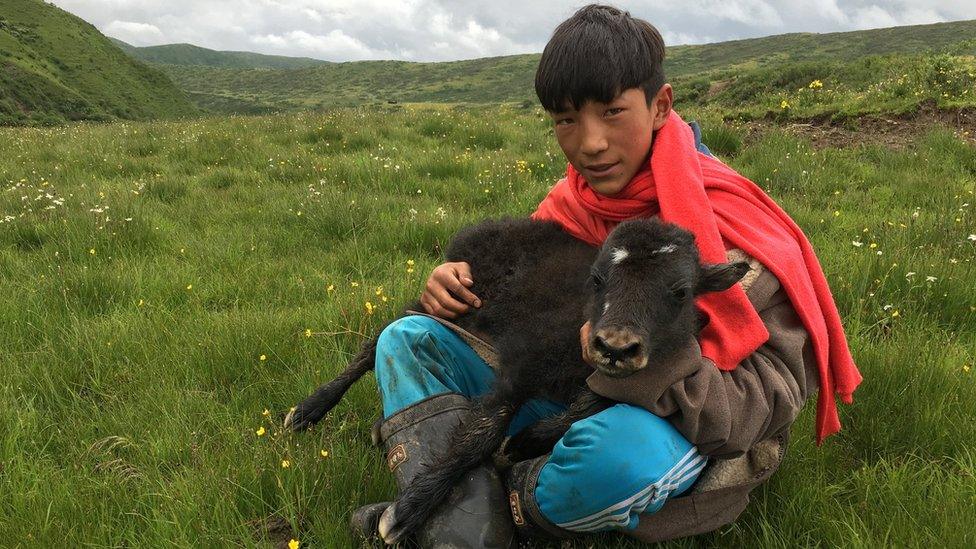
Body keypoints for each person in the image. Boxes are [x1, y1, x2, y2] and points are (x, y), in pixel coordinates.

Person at [357, 4, 863, 546]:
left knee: (619, 461)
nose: (589, 143)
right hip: (556, 384)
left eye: (613, 112)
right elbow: (525, 318)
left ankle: (492, 502)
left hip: (671, 422)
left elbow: (769, 399)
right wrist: (455, 288)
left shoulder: (736, 228)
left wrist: (639, 361)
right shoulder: (571, 203)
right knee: (406, 340)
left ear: (660, 106)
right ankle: (473, 505)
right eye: (566, 119)